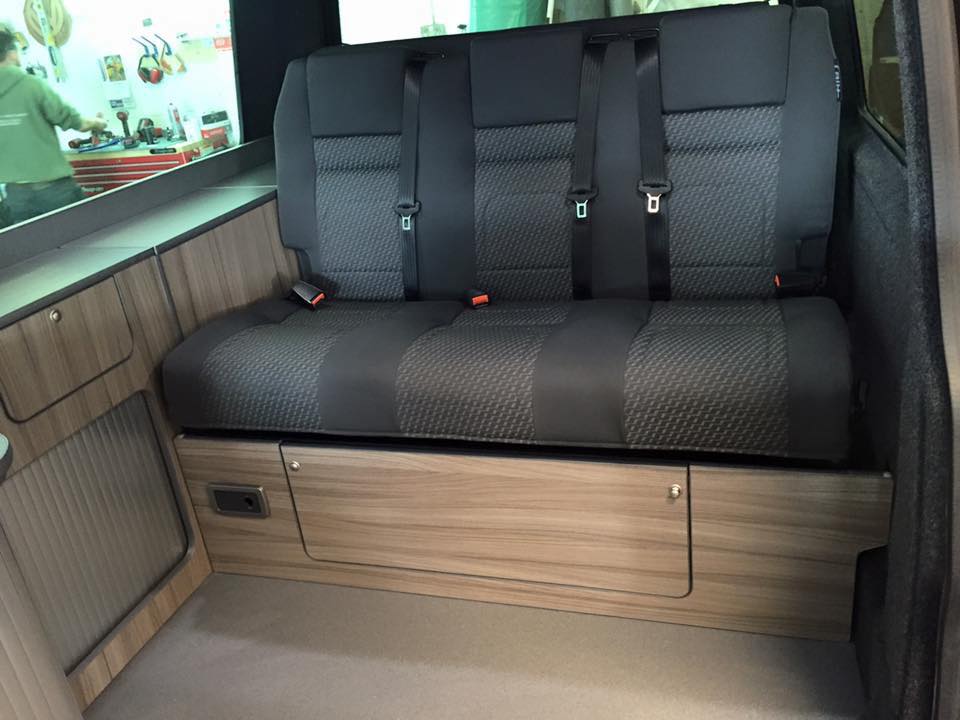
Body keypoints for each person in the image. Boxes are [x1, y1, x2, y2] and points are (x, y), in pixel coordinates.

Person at [0, 28, 106, 227]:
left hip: (15, 195)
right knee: (83, 238)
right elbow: (77, 123)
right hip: (54, 190)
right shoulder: (31, 85)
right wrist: (98, 123)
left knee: (31, 245)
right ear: (12, 53)